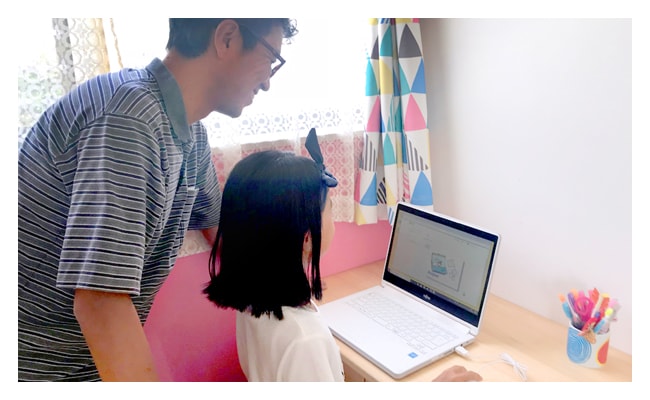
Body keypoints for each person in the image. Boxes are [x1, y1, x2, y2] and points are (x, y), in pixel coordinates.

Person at [18, 18, 298, 382]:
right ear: (227, 37)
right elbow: (100, 302)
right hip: (36, 366)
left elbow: (218, 228)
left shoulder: (189, 131)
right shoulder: (130, 118)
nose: (267, 82)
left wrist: (288, 288)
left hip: (78, 361)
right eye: (270, 58)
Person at [203, 129, 482, 382]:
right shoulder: (305, 341)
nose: (333, 218)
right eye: (331, 210)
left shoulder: (255, 298)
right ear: (307, 238)